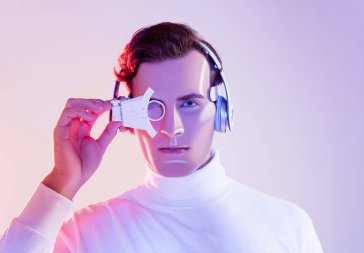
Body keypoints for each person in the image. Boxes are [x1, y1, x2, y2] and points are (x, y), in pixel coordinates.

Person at [0, 22, 323, 253]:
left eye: (190, 103)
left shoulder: (287, 225)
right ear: (126, 114)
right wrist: (60, 183)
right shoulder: (86, 233)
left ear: (221, 110)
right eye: (153, 107)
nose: (173, 126)